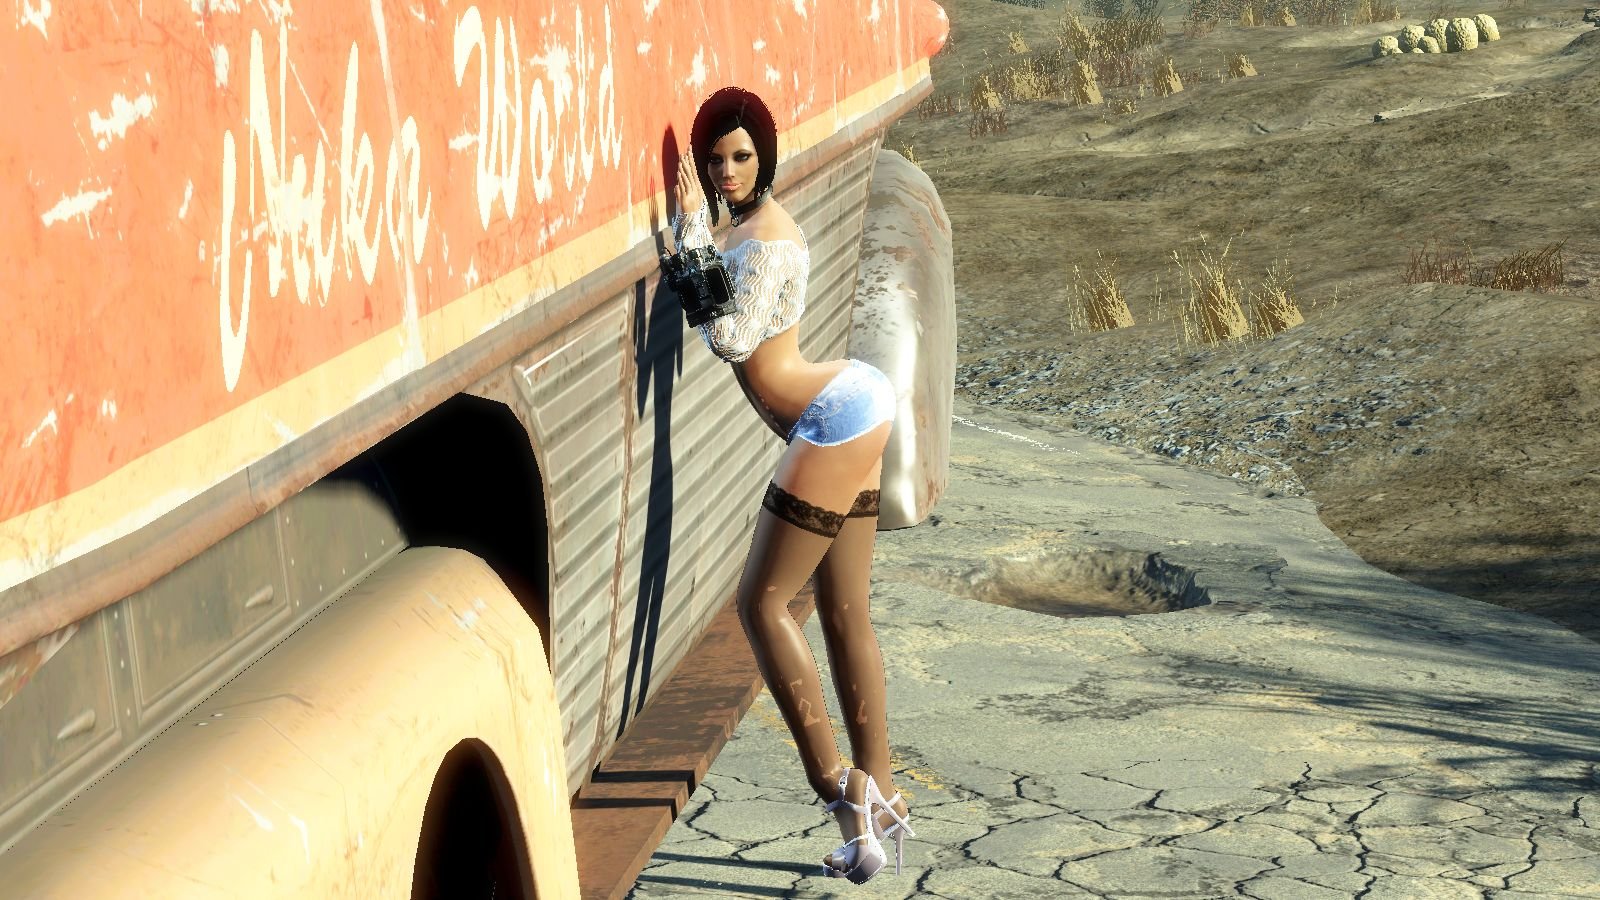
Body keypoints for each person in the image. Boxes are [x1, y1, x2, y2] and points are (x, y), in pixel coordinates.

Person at [666, 86, 914, 884]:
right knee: (843, 611)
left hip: (834, 414)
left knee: (762, 605)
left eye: (742, 156)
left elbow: (733, 340)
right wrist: (700, 237)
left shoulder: (767, 238)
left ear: (764, 156)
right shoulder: (744, 228)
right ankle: (884, 799)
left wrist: (689, 234)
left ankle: (841, 792)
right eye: (715, 160)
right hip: (852, 400)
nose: (728, 171)